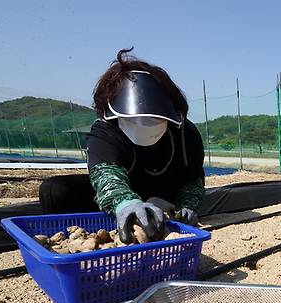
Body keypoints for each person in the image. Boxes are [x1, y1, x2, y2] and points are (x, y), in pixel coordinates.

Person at [40, 48, 205, 243]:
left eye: (154, 119)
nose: (145, 125)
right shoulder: (106, 131)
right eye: (136, 120)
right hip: (127, 191)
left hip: (166, 198)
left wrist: (186, 207)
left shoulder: (186, 134)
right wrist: (125, 202)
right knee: (55, 190)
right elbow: (105, 175)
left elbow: (194, 181)